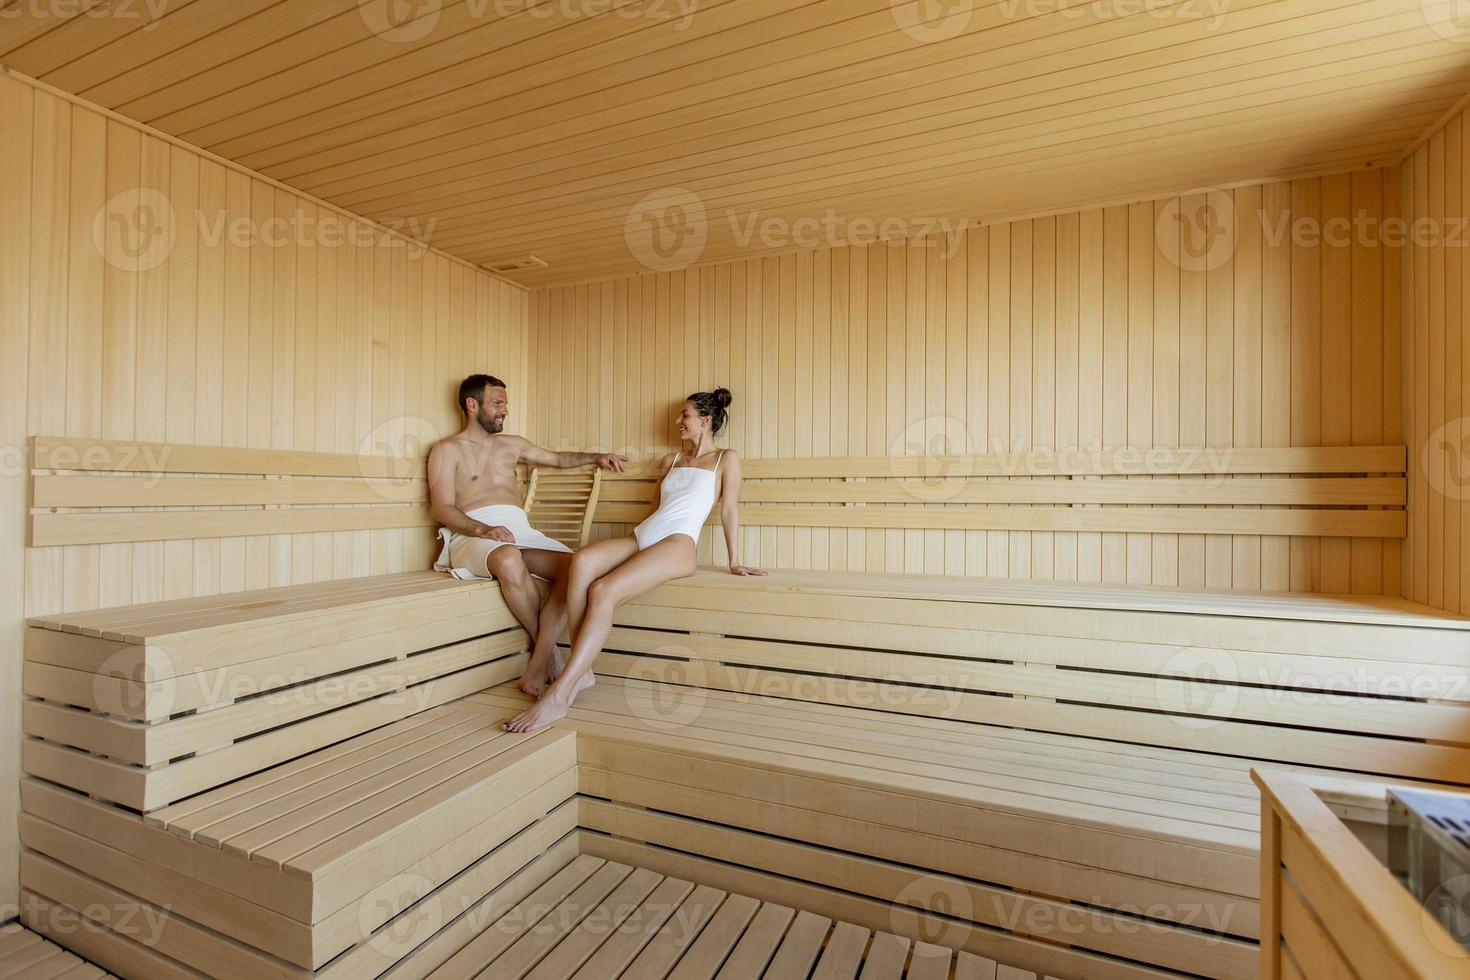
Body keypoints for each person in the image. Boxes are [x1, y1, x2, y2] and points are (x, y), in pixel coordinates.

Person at [504, 388, 765, 733]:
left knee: (602, 590)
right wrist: (635, 545)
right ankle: (581, 673)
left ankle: (560, 694)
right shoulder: (670, 461)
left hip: (678, 543)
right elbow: (657, 509)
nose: (678, 422)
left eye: (684, 416)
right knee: (582, 561)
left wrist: (735, 560)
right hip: (645, 536)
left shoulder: (725, 459)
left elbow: (729, 508)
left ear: (705, 420)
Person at [428, 374, 628, 699]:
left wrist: (595, 457)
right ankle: (549, 658)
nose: (504, 410)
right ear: (471, 404)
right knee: (508, 556)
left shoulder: (512, 444)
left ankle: (537, 664)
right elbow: (442, 508)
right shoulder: (446, 450)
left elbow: (557, 459)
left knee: (579, 565)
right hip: (471, 535)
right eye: (497, 403)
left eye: (505, 403)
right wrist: (482, 529)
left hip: (518, 530)